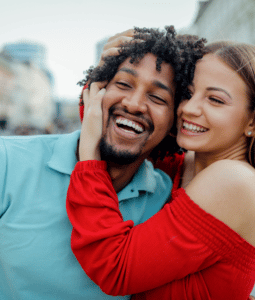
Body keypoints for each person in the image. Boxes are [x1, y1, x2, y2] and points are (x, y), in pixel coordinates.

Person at [66, 39, 255, 299]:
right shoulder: (186, 163)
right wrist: (109, 71)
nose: (189, 108)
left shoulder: (234, 180)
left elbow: (116, 268)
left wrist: (88, 158)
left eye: (215, 100)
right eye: (187, 93)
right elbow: (121, 139)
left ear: (253, 120)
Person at [0, 26, 205, 300]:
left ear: (173, 125)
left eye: (157, 97)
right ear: (94, 92)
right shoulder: (8, 160)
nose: (134, 104)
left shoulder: (165, 197)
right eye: (122, 84)